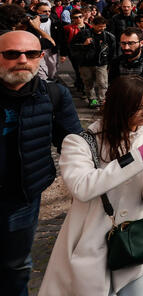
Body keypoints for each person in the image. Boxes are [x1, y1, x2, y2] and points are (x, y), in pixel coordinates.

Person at [39, 76, 143, 295]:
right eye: (139, 107)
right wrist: (142, 153)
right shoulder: (81, 142)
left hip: (135, 242)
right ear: (119, 107)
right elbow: (83, 187)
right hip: (92, 239)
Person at [0, 31, 81, 295]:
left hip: (22, 197)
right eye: (12, 54)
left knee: (16, 264)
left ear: (40, 58)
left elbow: (73, 143)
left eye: (31, 54)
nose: (22, 60)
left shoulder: (55, 94)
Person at [70, 15, 116, 108]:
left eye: (104, 26)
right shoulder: (83, 34)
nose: (102, 28)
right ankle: (92, 100)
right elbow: (72, 46)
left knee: (103, 83)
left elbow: (112, 51)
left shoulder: (109, 36)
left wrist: (109, 64)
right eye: (99, 26)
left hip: (102, 63)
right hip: (85, 63)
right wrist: (84, 44)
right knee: (88, 83)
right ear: (93, 25)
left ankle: (102, 100)